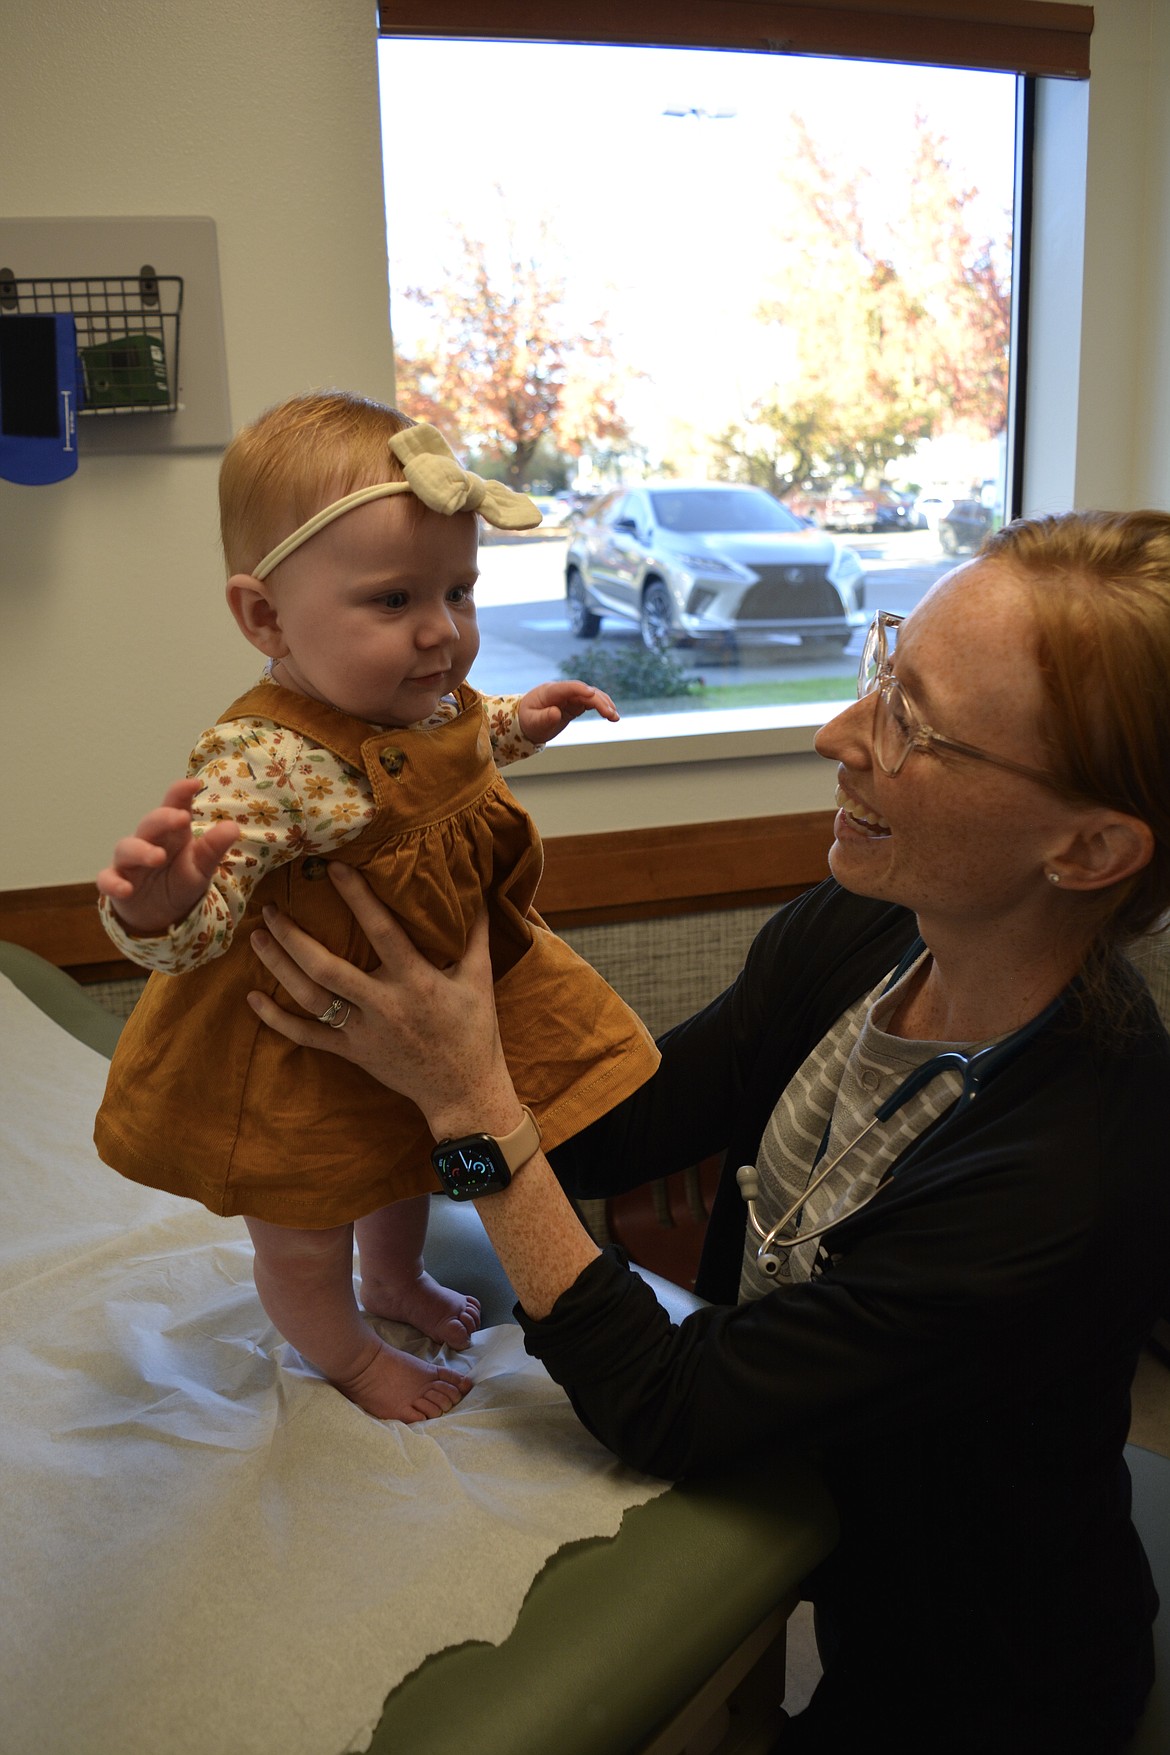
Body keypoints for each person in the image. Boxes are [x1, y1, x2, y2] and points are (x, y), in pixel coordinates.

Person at [242, 509, 1170, 1753]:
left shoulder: (1064, 1179)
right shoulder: (862, 930)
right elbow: (625, 1126)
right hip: (820, 1549)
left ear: (1091, 847)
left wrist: (465, 1105)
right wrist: (417, 1008)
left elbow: (673, 1404)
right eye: (882, 675)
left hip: (983, 1664)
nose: (837, 735)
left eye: (915, 726)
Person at [93, 391, 659, 1424]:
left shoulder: (425, 700)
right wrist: (167, 902)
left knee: (408, 1159)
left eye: (459, 591)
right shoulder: (264, 759)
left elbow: (463, 738)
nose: (442, 631)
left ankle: (394, 1282)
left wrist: (522, 722)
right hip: (304, 1041)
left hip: (424, 1017)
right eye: (395, 602)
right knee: (308, 1225)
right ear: (265, 617)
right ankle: (347, 1353)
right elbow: (201, 923)